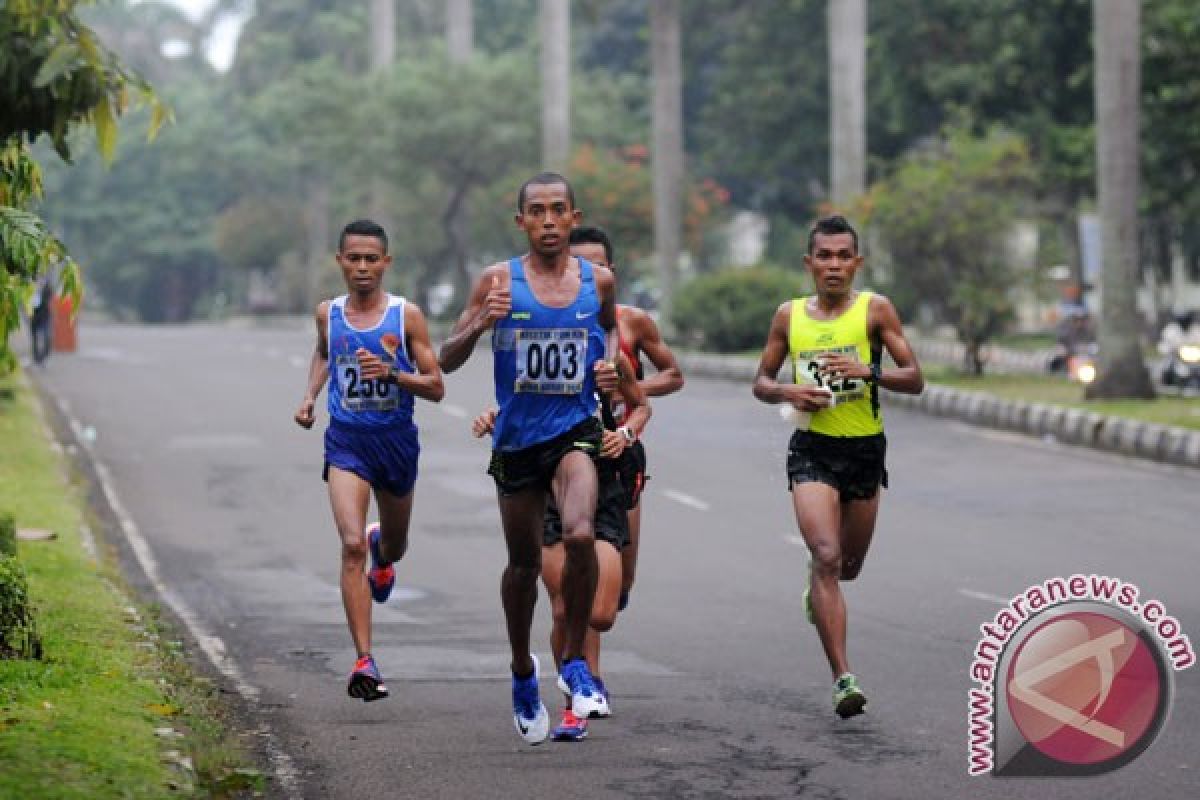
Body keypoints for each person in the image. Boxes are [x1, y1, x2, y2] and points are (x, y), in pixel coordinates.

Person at [439, 172, 618, 745]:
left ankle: (573, 663)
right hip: (517, 442)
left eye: (557, 210)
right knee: (522, 568)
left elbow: (609, 336)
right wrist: (479, 322)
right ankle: (522, 668)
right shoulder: (496, 280)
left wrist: (611, 369)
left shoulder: (599, 281)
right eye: (535, 211)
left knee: (582, 533)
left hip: (575, 431)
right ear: (520, 221)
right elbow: (446, 359)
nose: (546, 221)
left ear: (573, 216)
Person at [751, 215, 923, 718]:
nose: (833, 265)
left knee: (847, 566)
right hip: (813, 448)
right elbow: (761, 380)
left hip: (866, 451)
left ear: (857, 263)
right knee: (826, 554)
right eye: (823, 256)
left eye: (842, 256)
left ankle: (819, 582)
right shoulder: (789, 316)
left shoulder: (875, 311)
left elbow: (915, 378)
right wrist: (787, 389)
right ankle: (843, 678)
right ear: (809, 263)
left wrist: (870, 372)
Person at [294, 219, 444, 702]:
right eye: (353, 259)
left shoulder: (407, 317)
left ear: (386, 262)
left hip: (396, 443)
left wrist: (396, 375)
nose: (362, 267)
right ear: (340, 261)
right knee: (350, 545)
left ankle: (386, 550)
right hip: (347, 443)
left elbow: (437, 386)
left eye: (371, 259)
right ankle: (364, 660)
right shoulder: (328, 313)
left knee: (391, 548)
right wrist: (310, 397)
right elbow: (324, 354)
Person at [471, 349, 649, 741]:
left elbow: (640, 406)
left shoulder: (608, 355)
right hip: (547, 485)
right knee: (562, 608)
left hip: (601, 482)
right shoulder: (532, 341)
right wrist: (494, 417)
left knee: (600, 615)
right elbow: (523, 405)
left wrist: (624, 434)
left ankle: (583, 673)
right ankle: (577, 702)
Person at [568, 227, 684, 613]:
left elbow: (673, 375)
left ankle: (609, 599)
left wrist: (629, 389)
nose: (590, 276)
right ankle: (578, 660)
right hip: (567, 450)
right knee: (575, 559)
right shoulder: (552, 323)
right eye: (579, 267)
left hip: (621, 451)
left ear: (611, 272)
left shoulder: (633, 321)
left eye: (597, 267)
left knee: (622, 580)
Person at [29, 274, 53, 365]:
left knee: (47, 337)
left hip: (45, 317)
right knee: (35, 338)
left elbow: (49, 300)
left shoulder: (47, 288)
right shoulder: (31, 289)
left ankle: (43, 356)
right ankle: (36, 358)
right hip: (34, 317)